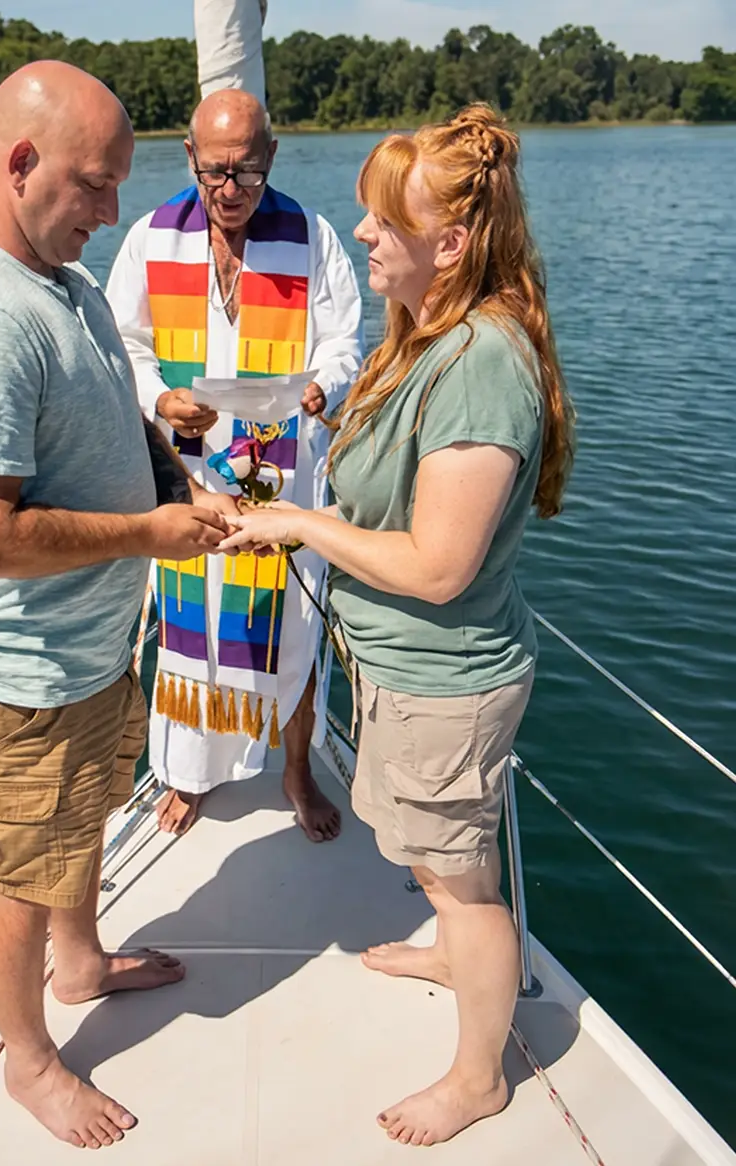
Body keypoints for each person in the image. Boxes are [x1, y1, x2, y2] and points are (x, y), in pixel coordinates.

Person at [0, 61, 234, 1150]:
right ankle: (29, 1060)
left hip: (81, 652)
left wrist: (176, 481)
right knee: (15, 873)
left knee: (75, 822)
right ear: (20, 162)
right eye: (94, 185)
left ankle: (80, 966)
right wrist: (146, 534)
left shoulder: (62, 280)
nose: (113, 211)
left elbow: (110, 414)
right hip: (10, 674)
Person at [220, 104, 574, 1146]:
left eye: (384, 222)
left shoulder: (478, 363)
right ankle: (450, 951)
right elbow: (395, 459)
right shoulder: (428, 336)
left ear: (451, 243)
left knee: (463, 886)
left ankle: (478, 1074)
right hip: (397, 671)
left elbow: (438, 562)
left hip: (444, 679)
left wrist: (295, 519)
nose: (363, 234)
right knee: (429, 856)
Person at [105, 88, 364, 840]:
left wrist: (327, 384)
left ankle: (294, 771)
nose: (229, 191)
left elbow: (343, 337)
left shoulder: (309, 236)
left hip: (281, 480)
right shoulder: (152, 238)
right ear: (189, 157)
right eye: (215, 172)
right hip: (191, 478)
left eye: (246, 174)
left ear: (272, 158)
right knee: (190, 640)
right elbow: (125, 345)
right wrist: (158, 398)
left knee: (291, 631)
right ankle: (189, 775)